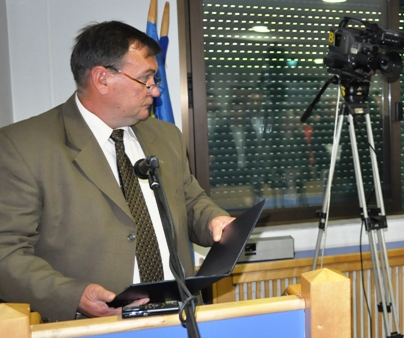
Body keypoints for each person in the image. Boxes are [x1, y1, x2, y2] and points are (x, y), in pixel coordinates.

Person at [0, 21, 234, 321]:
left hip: (180, 318)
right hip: (89, 330)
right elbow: (6, 252)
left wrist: (214, 219)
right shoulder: (22, 147)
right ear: (102, 79)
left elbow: (189, 201)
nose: (156, 90)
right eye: (145, 79)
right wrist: (74, 296)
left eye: (154, 79)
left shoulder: (166, 137)